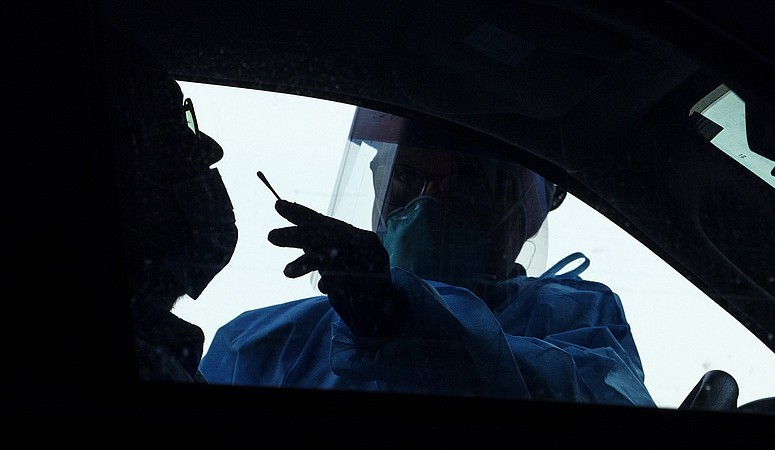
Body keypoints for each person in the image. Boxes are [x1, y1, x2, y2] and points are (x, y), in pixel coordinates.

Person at [200, 108, 654, 406]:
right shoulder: (260, 343)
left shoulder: (577, 315)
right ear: (377, 183)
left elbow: (599, 398)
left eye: (468, 183)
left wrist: (403, 321)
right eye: (405, 179)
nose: (428, 206)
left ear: (524, 215)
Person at [100, 26, 238, 382]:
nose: (209, 150)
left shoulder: (166, 356)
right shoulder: (146, 370)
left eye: (185, 119)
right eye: (170, 124)